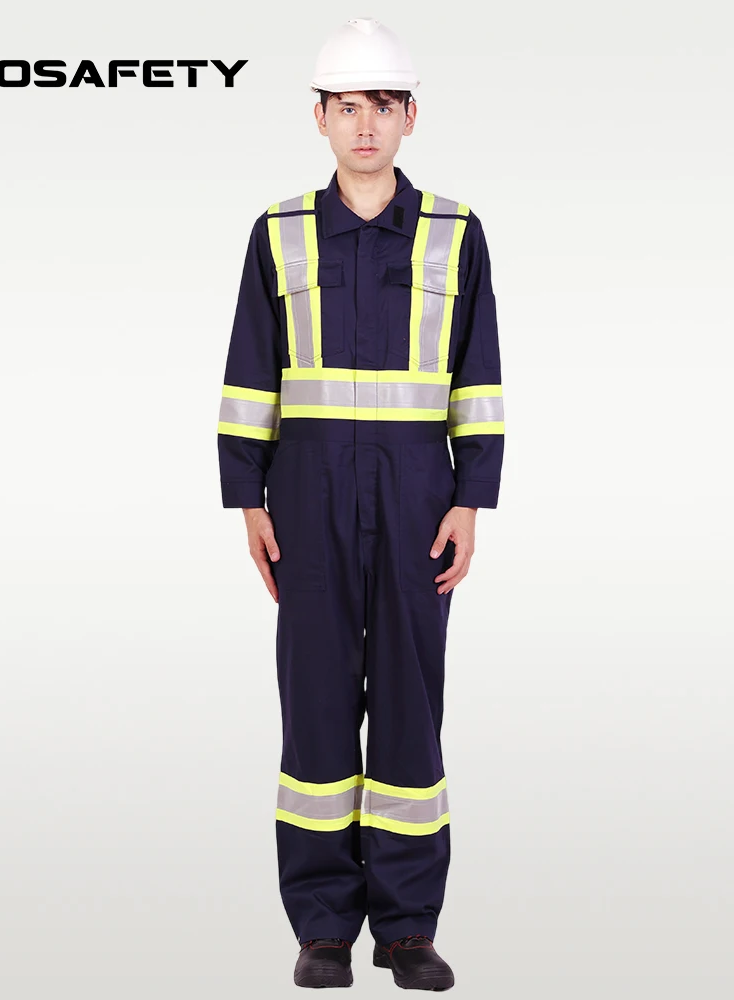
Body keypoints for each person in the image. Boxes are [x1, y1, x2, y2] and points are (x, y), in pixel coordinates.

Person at [216, 17, 504, 991]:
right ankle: (324, 926)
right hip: (305, 496)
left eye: (383, 105)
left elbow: (478, 374)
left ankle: (409, 927)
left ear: (411, 115)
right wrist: (247, 497)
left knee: (412, 707)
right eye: (348, 107)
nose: (366, 125)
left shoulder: (456, 231)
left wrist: (472, 499)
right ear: (320, 119)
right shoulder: (279, 232)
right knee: (317, 706)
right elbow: (251, 369)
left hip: (421, 495)